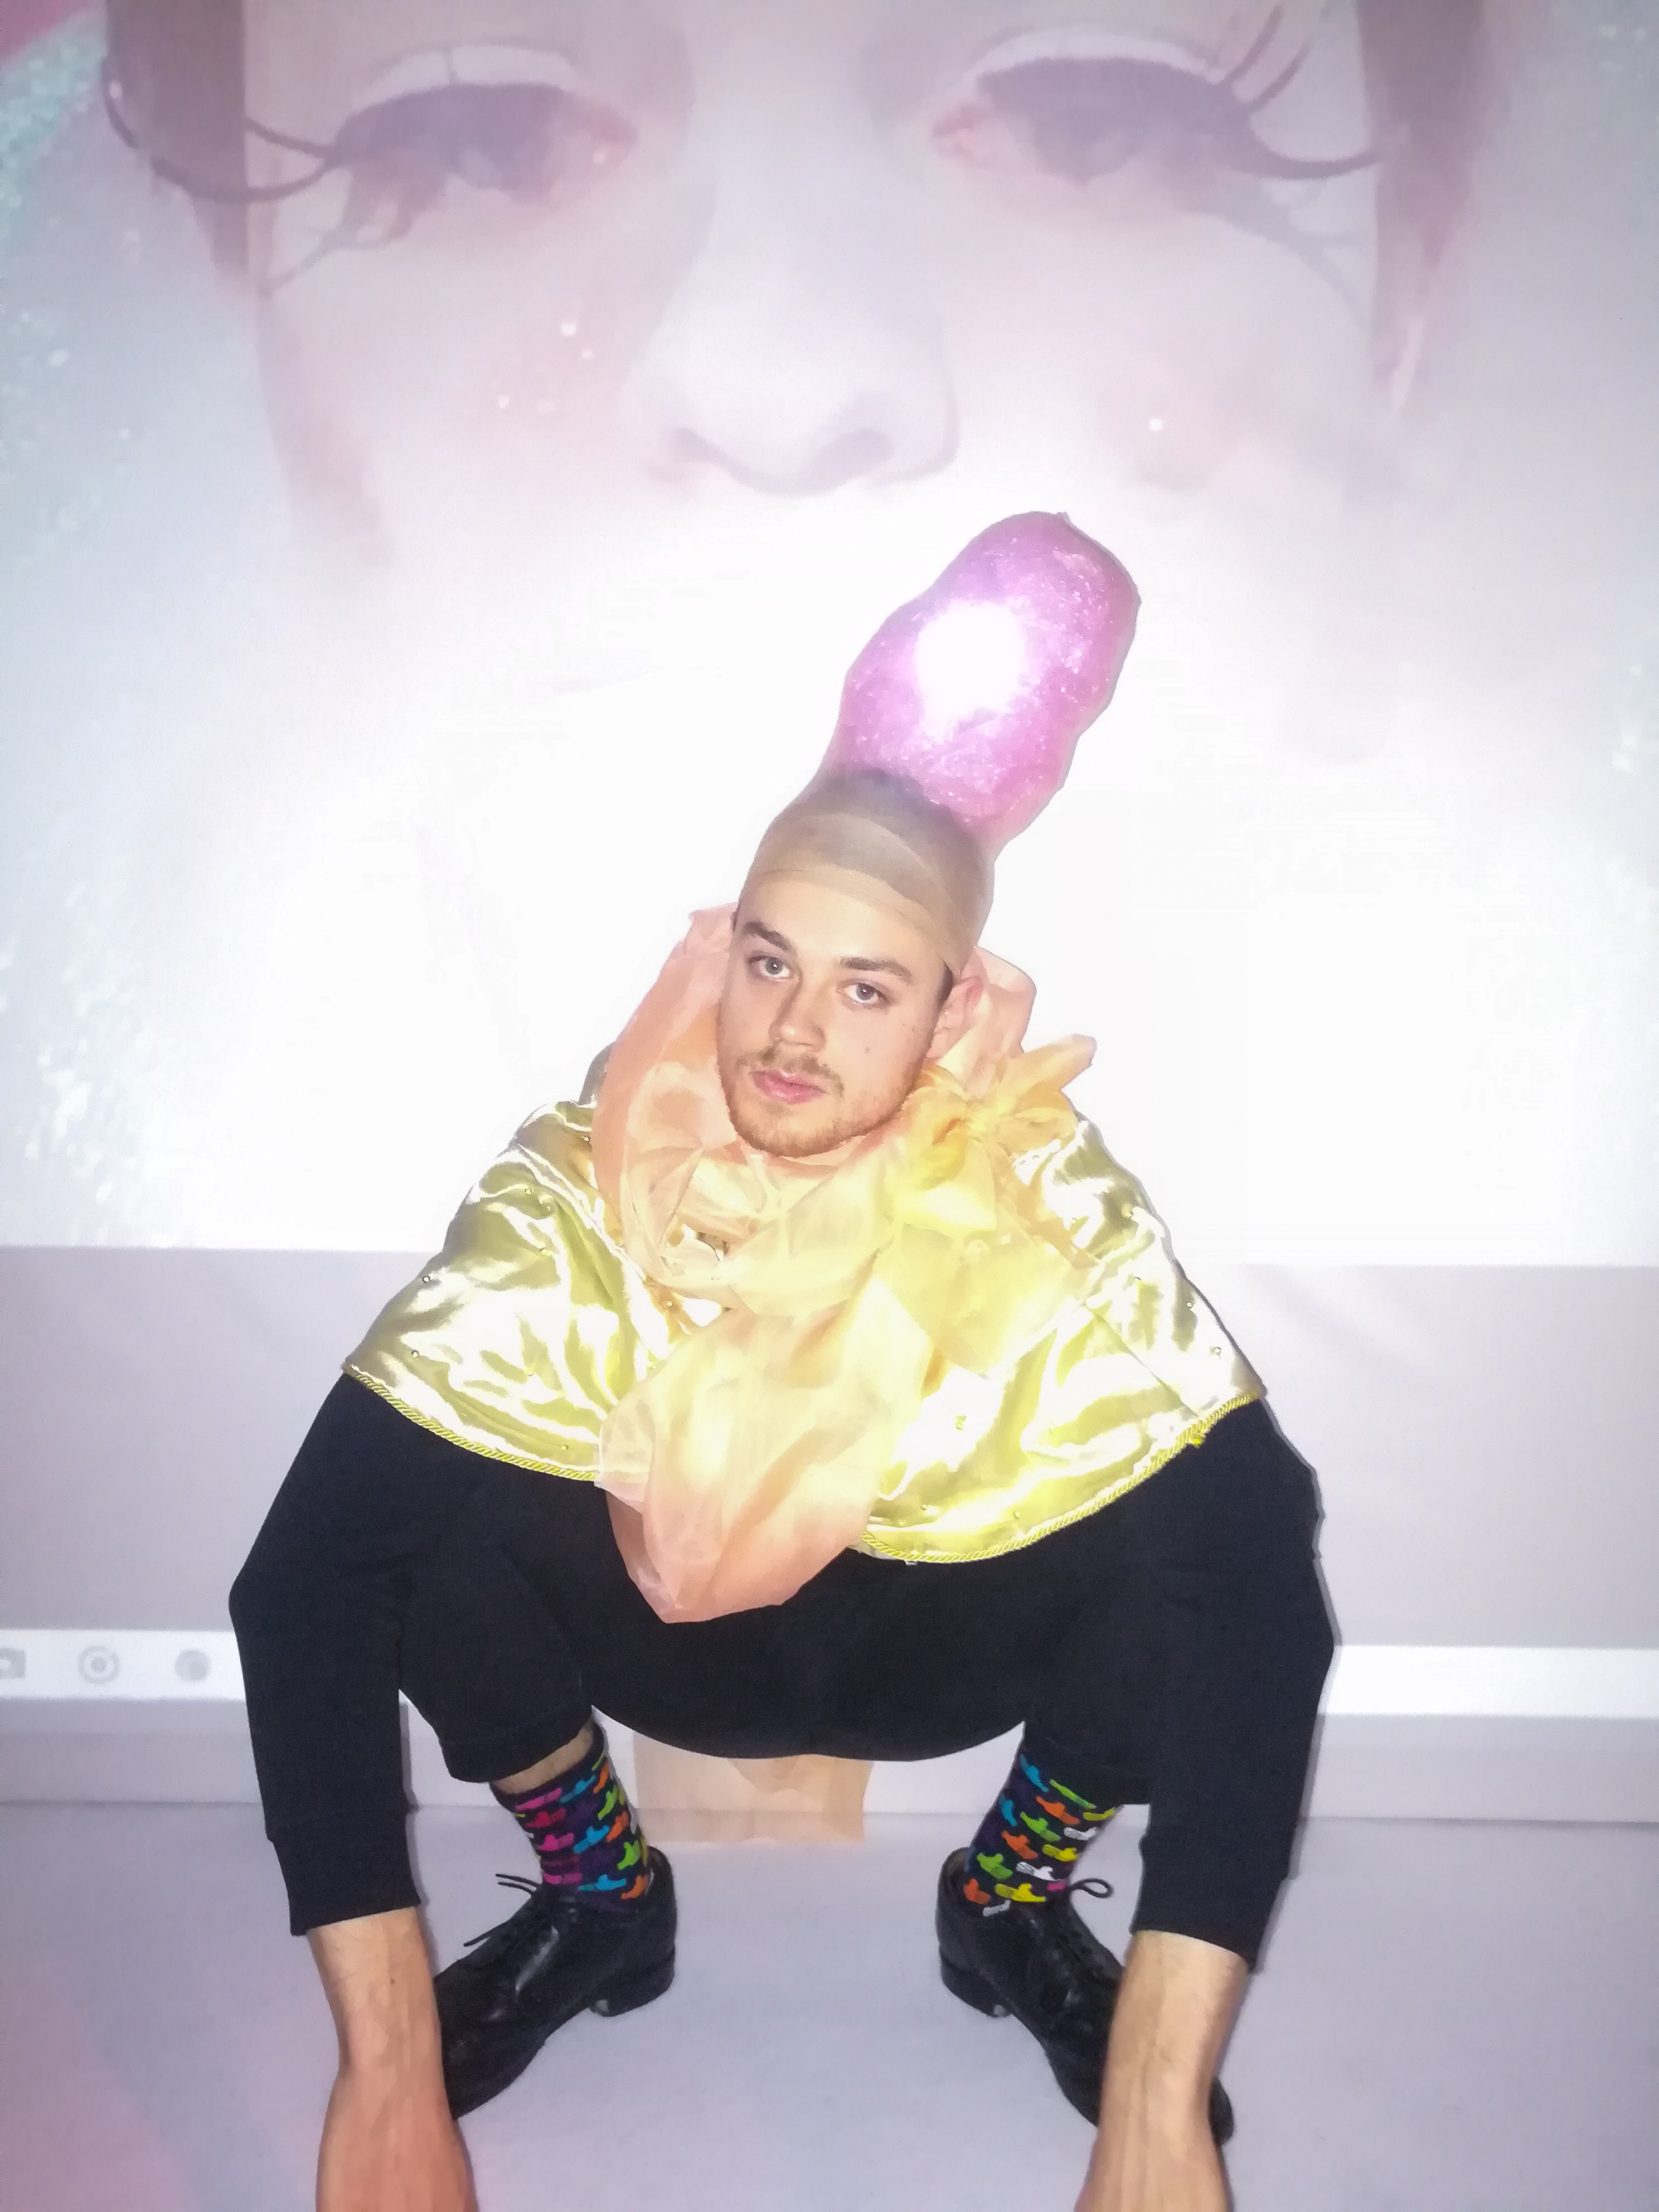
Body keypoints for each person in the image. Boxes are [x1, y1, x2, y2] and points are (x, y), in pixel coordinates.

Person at [230, 515, 1335, 2212]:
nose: (795, 1033)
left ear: (953, 1011)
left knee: (1195, 1544)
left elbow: (1261, 1589)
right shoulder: (589, 1167)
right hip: (665, 1646)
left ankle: (1011, 1897)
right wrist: (380, 2081)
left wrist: (1158, 2106)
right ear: (720, 951)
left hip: (942, 1645)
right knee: (415, 1513)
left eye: (867, 988)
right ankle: (602, 1893)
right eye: (770, 962)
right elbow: (301, 1580)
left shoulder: (1035, 1186)